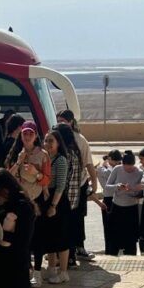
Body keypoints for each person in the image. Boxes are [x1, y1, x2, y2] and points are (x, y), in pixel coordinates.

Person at [6, 121, 51, 287]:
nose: (27, 136)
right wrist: (19, 162)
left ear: (36, 135)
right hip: (20, 199)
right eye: (25, 133)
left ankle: (37, 273)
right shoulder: (15, 153)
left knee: (37, 236)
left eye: (31, 133)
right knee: (21, 237)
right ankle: (26, 270)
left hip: (37, 200)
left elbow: (47, 179)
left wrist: (36, 173)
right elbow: (7, 177)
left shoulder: (43, 155)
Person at [57, 109, 97, 261]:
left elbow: (88, 164)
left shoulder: (80, 140)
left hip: (78, 185)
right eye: (58, 121)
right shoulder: (55, 138)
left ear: (71, 122)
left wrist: (94, 184)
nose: (60, 124)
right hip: (62, 186)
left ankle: (78, 248)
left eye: (62, 121)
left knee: (78, 218)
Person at [39, 128, 72, 284]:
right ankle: (51, 268)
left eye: (51, 141)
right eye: (46, 140)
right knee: (49, 236)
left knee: (61, 238)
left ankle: (63, 272)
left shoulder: (61, 160)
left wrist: (53, 205)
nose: (47, 143)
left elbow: (60, 186)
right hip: (46, 198)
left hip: (58, 201)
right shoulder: (44, 158)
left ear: (58, 143)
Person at [56, 123, 85, 267]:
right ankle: (70, 258)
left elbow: (63, 180)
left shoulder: (65, 155)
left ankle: (65, 260)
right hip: (73, 198)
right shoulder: (75, 152)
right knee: (69, 229)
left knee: (63, 231)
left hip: (64, 198)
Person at [104, 150, 143, 255]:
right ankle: (113, 255)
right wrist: (117, 187)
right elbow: (107, 187)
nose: (128, 169)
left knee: (131, 237)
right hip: (117, 206)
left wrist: (134, 190)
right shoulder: (117, 169)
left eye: (130, 167)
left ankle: (131, 255)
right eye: (126, 167)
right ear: (122, 164)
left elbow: (142, 191)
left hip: (131, 207)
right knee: (115, 235)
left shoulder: (139, 172)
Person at [97, 150, 121, 256]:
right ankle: (112, 250)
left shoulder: (104, 169)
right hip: (112, 199)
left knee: (112, 227)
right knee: (110, 226)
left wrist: (106, 164)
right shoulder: (106, 170)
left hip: (113, 198)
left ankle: (112, 250)